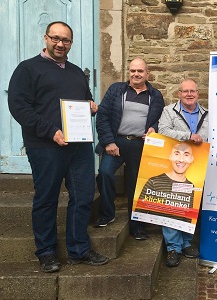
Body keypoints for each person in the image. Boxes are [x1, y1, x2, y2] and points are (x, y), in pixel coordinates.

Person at [8, 21, 108, 273]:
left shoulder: (75, 72)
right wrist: (50, 131)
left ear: (71, 44)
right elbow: (19, 106)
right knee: (46, 199)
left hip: (79, 147)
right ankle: (47, 252)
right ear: (46, 38)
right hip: (45, 147)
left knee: (83, 197)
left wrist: (91, 106)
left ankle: (79, 249)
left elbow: (83, 101)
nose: (60, 44)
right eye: (56, 38)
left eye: (66, 40)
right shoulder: (27, 69)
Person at [94, 58, 164, 240]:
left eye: (140, 71)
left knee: (137, 185)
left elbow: (160, 119)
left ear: (147, 73)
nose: (136, 74)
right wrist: (108, 142)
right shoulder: (116, 90)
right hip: (115, 142)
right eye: (133, 70)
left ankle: (137, 225)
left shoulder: (155, 95)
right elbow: (102, 116)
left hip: (139, 145)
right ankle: (107, 214)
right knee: (105, 173)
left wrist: (154, 128)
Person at [158, 78, 208, 267]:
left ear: (198, 93)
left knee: (190, 206)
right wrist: (188, 136)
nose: (189, 94)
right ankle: (173, 247)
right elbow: (163, 130)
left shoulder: (207, 114)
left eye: (192, 91)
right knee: (173, 206)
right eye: (185, 91)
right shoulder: (169, 111)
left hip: (196, 166)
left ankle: (187, 243)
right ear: (179, 93)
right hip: (175, 165)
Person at [136, 143, 196, 223]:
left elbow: (187, 218)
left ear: (192, 159)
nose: (181, 160)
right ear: (170, 156)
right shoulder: (154, 182)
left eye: (186, 155)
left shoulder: (190, 186)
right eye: (177, 154)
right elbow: (139, 213)